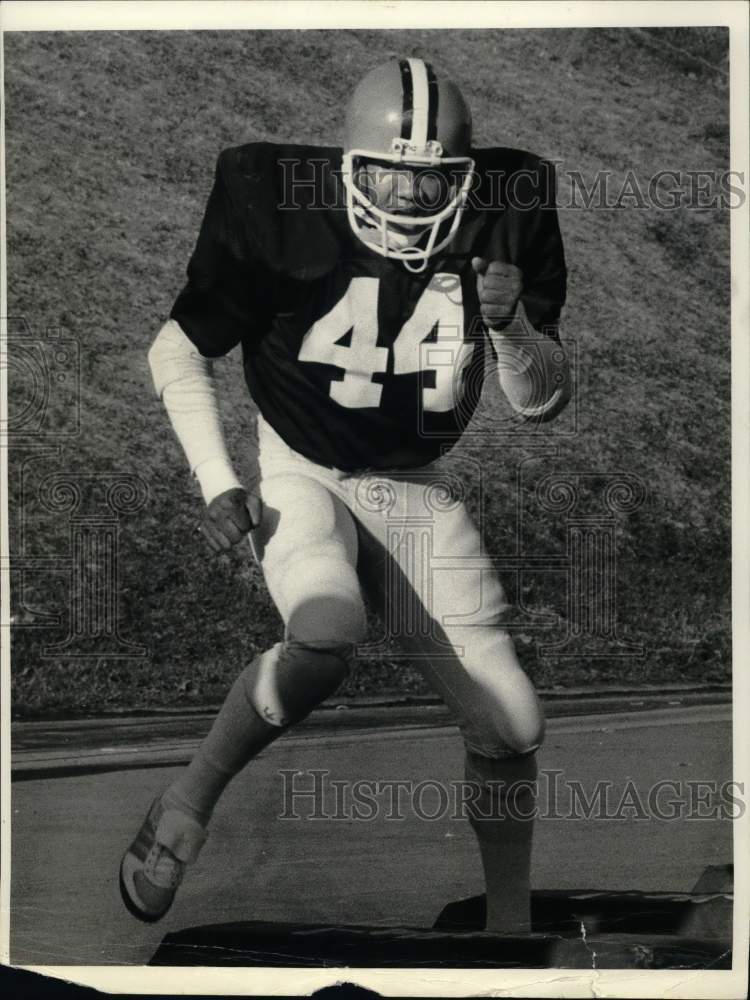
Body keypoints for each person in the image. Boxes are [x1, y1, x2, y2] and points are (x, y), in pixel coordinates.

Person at [119, 57, 570, 934]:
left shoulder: (506, 211)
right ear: (348, 167)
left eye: (430, 176)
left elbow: (542, 401)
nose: (407, 194)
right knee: (325, 634)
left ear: (463, 180)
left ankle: (510, 935)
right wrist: (220, 482)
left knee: (513, 722)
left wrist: (510, 327)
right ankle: (185, 805)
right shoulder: (281, 207)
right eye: (389, 170)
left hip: (412, 484)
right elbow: (177, 349)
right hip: (302, 466)